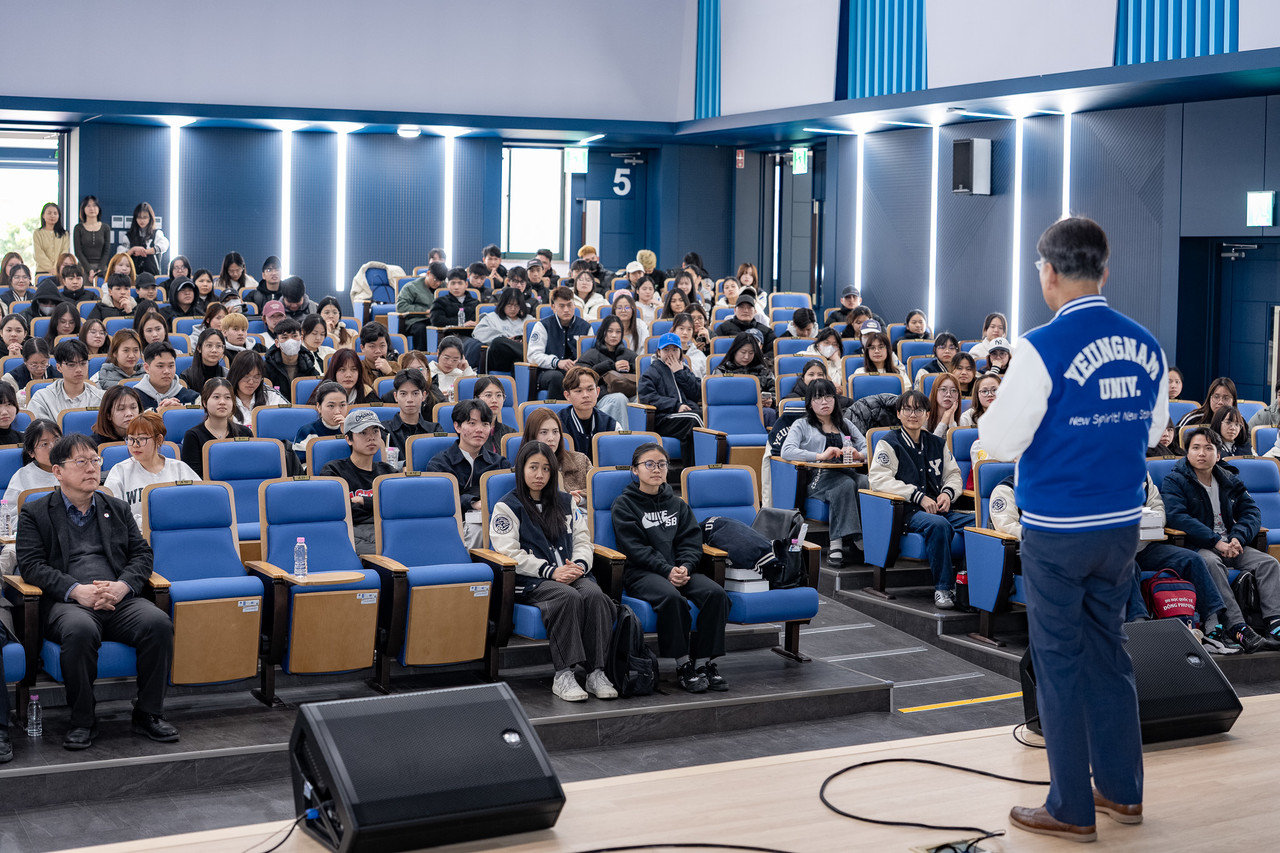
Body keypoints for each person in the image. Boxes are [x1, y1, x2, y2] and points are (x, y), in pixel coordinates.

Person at [979, 216, 1164, 841]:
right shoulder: (1148, 344)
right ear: (1105, 271)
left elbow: (1001, 439)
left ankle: (1069, 807)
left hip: (1058, 529)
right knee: (1108, 652)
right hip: (1120, 527)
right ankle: (1122, 792)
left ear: (1048, 272)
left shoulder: (1038, 347)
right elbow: (1156, 431)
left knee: (1058, 662)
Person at [17, 432, 178, 750]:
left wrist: (122, 586)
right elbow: (31, 565)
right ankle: (82, 719)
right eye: (81, 462)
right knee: (79, 630)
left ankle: (148, 713)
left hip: (117, 597)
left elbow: (142, 555)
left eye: (95, 460)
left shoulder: (115, 508)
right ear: (58, 471)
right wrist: (76, 590)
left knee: (158, 623)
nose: (92, 468)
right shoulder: (35, 513)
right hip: (69, 603)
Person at [490, 441, 616, 701]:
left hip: (571, 573)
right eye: (533, 467)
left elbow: (583, 541)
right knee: (566, 597)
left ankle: (595, 672)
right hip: (532, 581)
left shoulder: (565, 501)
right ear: (520, 470)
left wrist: (579, 566)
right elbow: (508, 553)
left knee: (595, 595)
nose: (539, 475)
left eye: (546, 469)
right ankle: (564, 674)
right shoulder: (507, 507)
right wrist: (550, 571)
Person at [612, 442, 729, 693]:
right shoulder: (624, 505)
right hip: (642, 572)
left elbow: (691, 541)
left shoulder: (678, 504)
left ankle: (704, 663)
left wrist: (685, 566)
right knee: (672, 598)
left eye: (662, 464)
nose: (657, 469)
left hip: (678, 570)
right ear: (635, 470)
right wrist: (666, 570)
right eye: (649, 464)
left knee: (716, 594)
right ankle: (683, 665)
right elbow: (635, 549)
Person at [1161, 429, 1280, 653]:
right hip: (1200, 546)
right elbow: (1177, 517)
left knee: (1269, 563)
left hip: (1231, 544)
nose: (1202, 453)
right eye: (1196, 448)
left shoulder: (1227, 478)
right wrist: (1216, 541)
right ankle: (1237, 626)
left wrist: (1237, 537)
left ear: (1218, 454)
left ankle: (1275, 623)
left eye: (1209, 448)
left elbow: (1251, 512)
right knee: (1212, 564)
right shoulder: (1175, 480)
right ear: (1187, 453)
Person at [869, 390, 971, 608]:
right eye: (907, 409)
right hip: (908, 512)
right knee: (939, 524)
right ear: (898, 413)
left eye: (919, 409)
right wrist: (918, 496)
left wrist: (947, 493)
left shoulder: (937, 443)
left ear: (927, 414)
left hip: (940, 508)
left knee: (980, 524)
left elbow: (954, 475)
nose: (913, 414)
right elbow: (879, 479)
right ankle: (943, 588)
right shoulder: (889, 443)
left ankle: (969, 583)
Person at [781, 379, 868, 564]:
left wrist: (858, 454)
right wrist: (819, 456)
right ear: (809, 403)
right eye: (818, 398)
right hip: (817, 477)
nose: (824, 402)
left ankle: (865, 535)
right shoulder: (802, 424)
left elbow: (869, 447)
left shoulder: (844, 424)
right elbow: (786, 451)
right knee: (845, 485)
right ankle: (838, 543)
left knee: (864, 483)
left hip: (846, 472)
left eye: (829, 397)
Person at [425, 400, 510, 548]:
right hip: (455, 527)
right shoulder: (439, 464)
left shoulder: (500, 464)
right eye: (472, 423)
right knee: (478, 528)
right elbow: (442, 502)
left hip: (495, 522)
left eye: (485, 424)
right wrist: (473, 502)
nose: (479, 429)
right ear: (457, 426)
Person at [318, 409, 395, 555]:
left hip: (386, 529)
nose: (371, 437)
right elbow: (337, 510)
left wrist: (364, 501)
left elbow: (398, 507)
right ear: (348, 439)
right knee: (388, 554)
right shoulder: (334, 471)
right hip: (352, 531)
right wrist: (379, 505)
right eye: (363, 433)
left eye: (375, 431)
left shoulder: (388, 472)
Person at [103, 410, 201, 519]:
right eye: (131, 439)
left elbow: (198, 503)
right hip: (134, 534)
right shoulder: (119, 471)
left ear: (159, 440)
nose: (135, 445)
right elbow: (111, 514)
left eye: (142, 439)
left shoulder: (179, 469)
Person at [639, 332, 703, 463]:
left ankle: (699, 468)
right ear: (658, 352)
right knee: (695, 418)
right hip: (664, 419)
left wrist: (679, 373)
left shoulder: (684, 370)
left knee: (706, 417)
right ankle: (693, 470)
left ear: (680, 352)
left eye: (675, 349)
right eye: (666, 349)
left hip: (686, 416)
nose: (671, 353)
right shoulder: (652, 372)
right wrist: (676, 405)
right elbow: (648, 397)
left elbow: (698, 394)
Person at [179, 378, 252, 478]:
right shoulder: (193, 436)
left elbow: (249, 469)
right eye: (216, 397)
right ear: (204, 402)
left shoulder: (245, 433)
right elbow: (193, 476)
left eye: (227, 397)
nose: (222, 402)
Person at [528, 287, 592, 399]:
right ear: (553, 307)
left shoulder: (586, 327)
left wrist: (581, 362)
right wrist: (557, 362)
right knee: (557, 377)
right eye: (561, 306)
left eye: (569, 305)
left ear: (575, 305)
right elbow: (533, 356)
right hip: (548, 372)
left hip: (577, 371)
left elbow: (591, 354)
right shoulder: (543, 326)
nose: (566, 309)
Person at [27, 340, 103, 423]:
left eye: (83, 363)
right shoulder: (42, 398)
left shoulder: (101, 398)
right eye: (71, 365)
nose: (79, 370)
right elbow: (37, 431)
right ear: (59, 367)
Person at [522, 407, 589, 498]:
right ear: (532, 436)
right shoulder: (524, 467)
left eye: (555, 432)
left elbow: (597, 491)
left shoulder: (580, 460)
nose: (551, 438)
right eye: (544, 432)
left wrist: (580, 499)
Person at [560, 366, 619, 458]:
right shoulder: (557, 425)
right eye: (578, 391)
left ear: (598, 391)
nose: (585, 395)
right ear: (567, 396)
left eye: (590, 389)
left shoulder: (611, 425)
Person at [714, 331, 776, 417]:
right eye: (743, 352)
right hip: (731, 410)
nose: (747, 357)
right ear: (735, 351)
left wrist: (771, 401)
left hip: (758, 410)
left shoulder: (763, 371)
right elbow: (717, 397)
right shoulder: (722, 371)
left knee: (769, 413)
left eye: (751, 353)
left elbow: (775, 391)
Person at [577, 315, 638, 399]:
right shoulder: (590, 355)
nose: (614, 335)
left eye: (618, 332)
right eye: (610, 331)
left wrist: (630, 368)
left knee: (639, 399)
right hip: (601, 396)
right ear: (603, 332)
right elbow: (580, 376)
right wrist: (611, 367)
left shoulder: (631, 356)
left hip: (630, 393)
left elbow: (643, 377)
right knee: (619, 398)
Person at [474, 286, 530, 373]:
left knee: (517, 362)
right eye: (509, 304)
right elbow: (477, 333)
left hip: (519, 360)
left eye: (516, 305)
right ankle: (530, 354)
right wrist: (506, 339)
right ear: (503, 304)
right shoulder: (491, 317)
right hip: (500, 359)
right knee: (498, 342)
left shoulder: (528, 320)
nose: (513, 309)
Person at [385, 369, 440, 457]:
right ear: (395, 397)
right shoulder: (385, 430)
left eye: (415, 393)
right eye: (403, 394)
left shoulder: (434, 430)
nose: (409, 399)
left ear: (423, 396)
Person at [261, 318, 318, 400]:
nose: (290, 341)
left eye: (294, 336)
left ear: (301, 339)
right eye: (285, 337)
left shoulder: (309, 365)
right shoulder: (267, 367)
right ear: (277, 343)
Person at [134, 342, 199, 410]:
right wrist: (157, 413)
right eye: (160, 366)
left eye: (171, 366)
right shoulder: (134, 399)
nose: (167, 371)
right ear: (147, 368)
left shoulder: (193, 398)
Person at [228, 349, 287, 423]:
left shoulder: (271, 395)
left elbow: (288, 417)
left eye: (256, 377)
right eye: (246, 376)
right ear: (235, 375)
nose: (251, 382)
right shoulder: (224, 397)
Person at [397, 261, 443, 349]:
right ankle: (422, 357)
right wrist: (423, 311)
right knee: (421, 329)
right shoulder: (411, 287)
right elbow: (401, 306)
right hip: (416, 320)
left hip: (436, 320)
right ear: (428, 273)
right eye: (435, 279)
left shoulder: (443, 288)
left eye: (441, 281)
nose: (438, 283)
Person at [118, 203, 167, 277]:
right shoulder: (128, 236)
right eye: (139, 217)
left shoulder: (157, 233)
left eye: (145, 217)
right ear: (135, 218)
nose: (142, 220)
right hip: (133, 276)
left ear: (150, 218)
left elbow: (164, 246)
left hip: (153, 275)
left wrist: (146, 252)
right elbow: (119, 255)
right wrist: (133, 250)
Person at [474, 376, 515, 456]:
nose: (494, 400)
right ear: (476, 398)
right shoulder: (471, 433)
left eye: (499, 395)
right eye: (488, 395)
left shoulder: (509, 433)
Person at [73, 196, 111, 280]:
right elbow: (78, 252)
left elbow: (106, 251)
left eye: (94, 205)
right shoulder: (78, 228)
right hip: (83, 268)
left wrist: (99, 270)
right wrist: (89, 270)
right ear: (83, 209)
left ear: (99, 208)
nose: (92, 208)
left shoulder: (105, 228)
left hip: (102, 269)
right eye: (88, 206)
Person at [180, 328, 228, 393]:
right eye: (209, 345)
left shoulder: (227, 374)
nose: (214, 350)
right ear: (199, 348)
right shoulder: (186, 376)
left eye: (218, 346)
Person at [429, 336, 476, 401]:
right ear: (438, 353)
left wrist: (467, 369)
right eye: (446, 358)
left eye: (455, 360)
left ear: (461, 358)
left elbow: (474, 393)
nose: (449, 363)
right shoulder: (428, 372)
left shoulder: (462, 376)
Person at [798, 328, 845, 393]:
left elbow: (844, 384)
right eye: (826, 343)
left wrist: (837, 361)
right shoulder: (805, 356)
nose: (830, 347)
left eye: (834, 344)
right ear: (818, 343)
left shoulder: (839, 363)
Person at [33, 202, 71, 275]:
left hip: (60, 271)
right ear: (43, 215)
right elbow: (38, 254)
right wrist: (51, 269)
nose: (52, 216)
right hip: (42, 271)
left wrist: (57, 268)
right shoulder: (37, 233)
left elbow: (64, 252)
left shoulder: (65, 234)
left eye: (55, 213)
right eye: (49, 213)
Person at [925, 373, 963, 438]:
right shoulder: (924, 418)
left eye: (953, 390)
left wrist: (952, 422)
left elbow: (957, 446)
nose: (948, 394)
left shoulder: (962, 420)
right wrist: (943, 423)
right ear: (935, 392)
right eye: (943, 389)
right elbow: (930, 447)